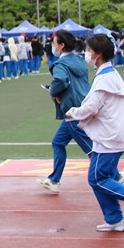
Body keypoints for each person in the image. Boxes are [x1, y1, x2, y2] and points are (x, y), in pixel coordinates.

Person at [66, 34, 124, 232]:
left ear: (98, 54)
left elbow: (91, 107)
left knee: (97, 179)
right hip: (108, 134)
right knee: (100, 178)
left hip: (108, 136)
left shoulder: (104, 79)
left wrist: (72, 113)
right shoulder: (108, 74)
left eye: (89, 51)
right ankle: (114, 218)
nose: (86, 54)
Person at [37, 30, 93, 194]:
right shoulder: (79, 60)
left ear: (61, 46)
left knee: (89, 147)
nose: (53, 46)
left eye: (55, 43)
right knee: (58, 142)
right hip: (83, 103)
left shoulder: (60, 65)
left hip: (72, 110)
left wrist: (53, 92)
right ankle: (54, 180)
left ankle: (114, 176)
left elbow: (61, 80)